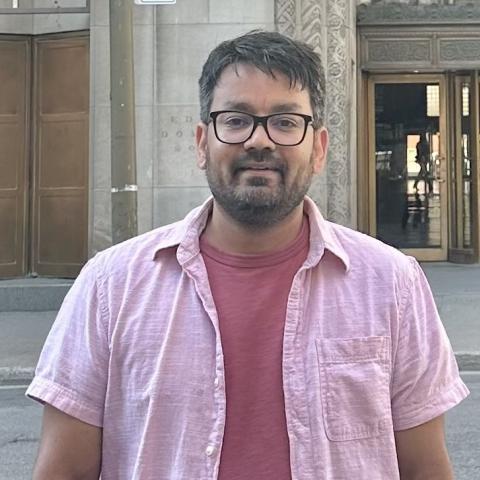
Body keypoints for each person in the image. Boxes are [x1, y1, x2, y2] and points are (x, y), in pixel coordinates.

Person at [28, 31, 468, 480]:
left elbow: (425, 469)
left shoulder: (390, 282)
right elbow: (62, 470)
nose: (260, 141)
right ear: (202, 143)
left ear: (318, 148)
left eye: (285, 121)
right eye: (236, 120)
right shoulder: (110, 285)